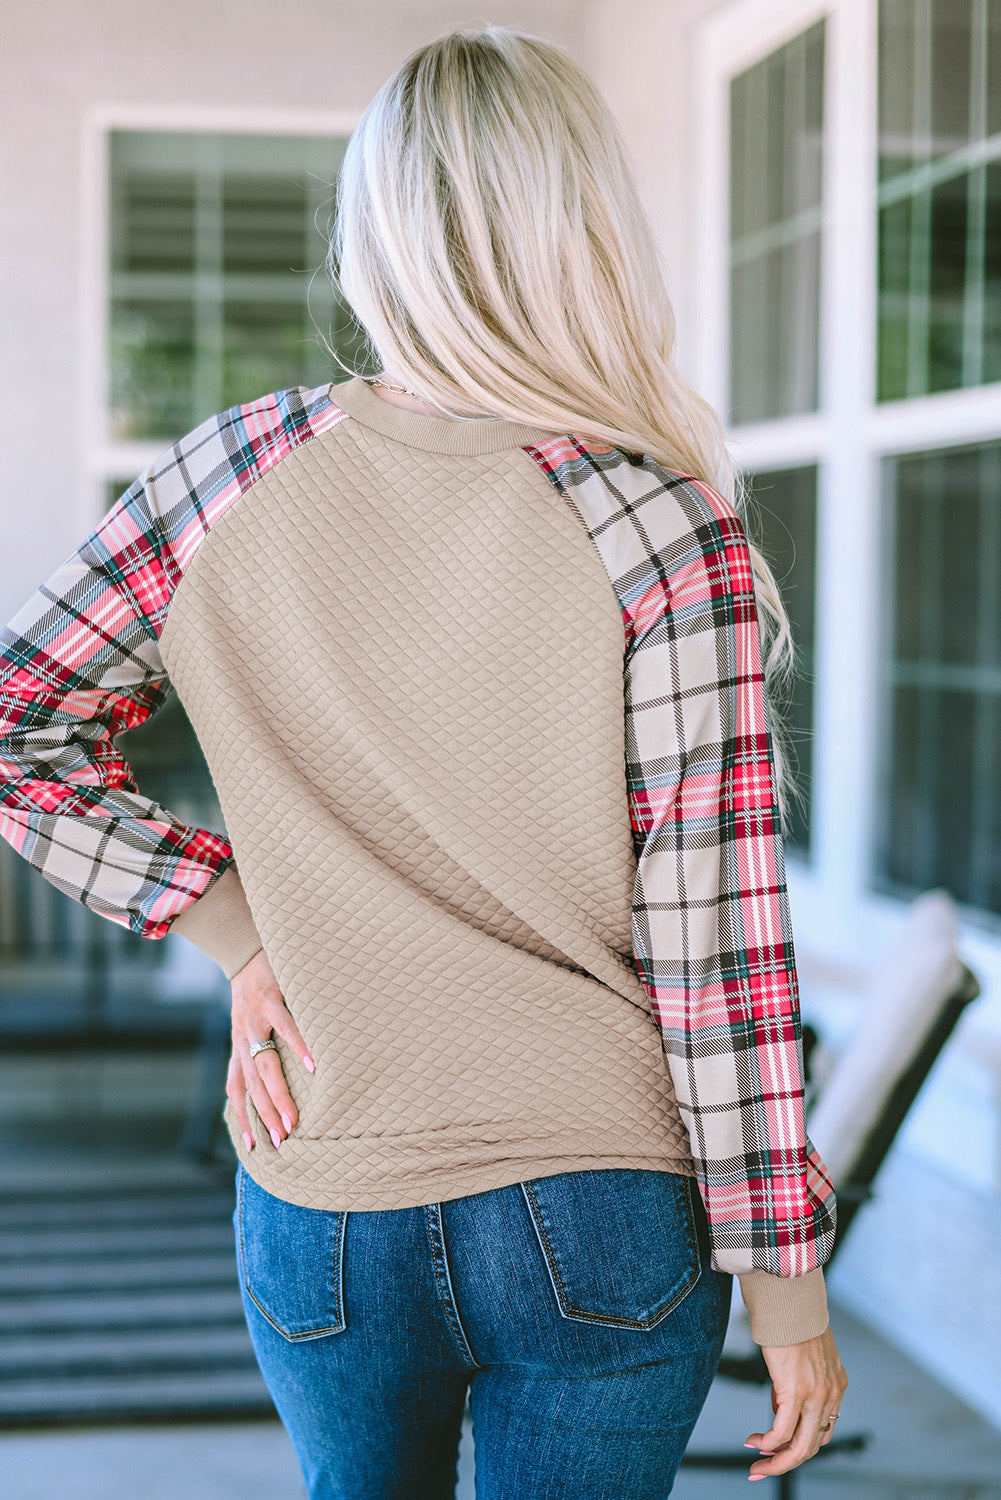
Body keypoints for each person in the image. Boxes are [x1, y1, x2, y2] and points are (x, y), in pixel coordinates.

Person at [0, 24, 847, 1500]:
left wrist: (232, 930)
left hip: (325, 1184)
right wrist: (786, 1288)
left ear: (371, 232)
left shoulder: (226, 475)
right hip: (605, 1207)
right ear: (585, 231)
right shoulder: (663, 528)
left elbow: (21, 723)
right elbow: (716, 948)